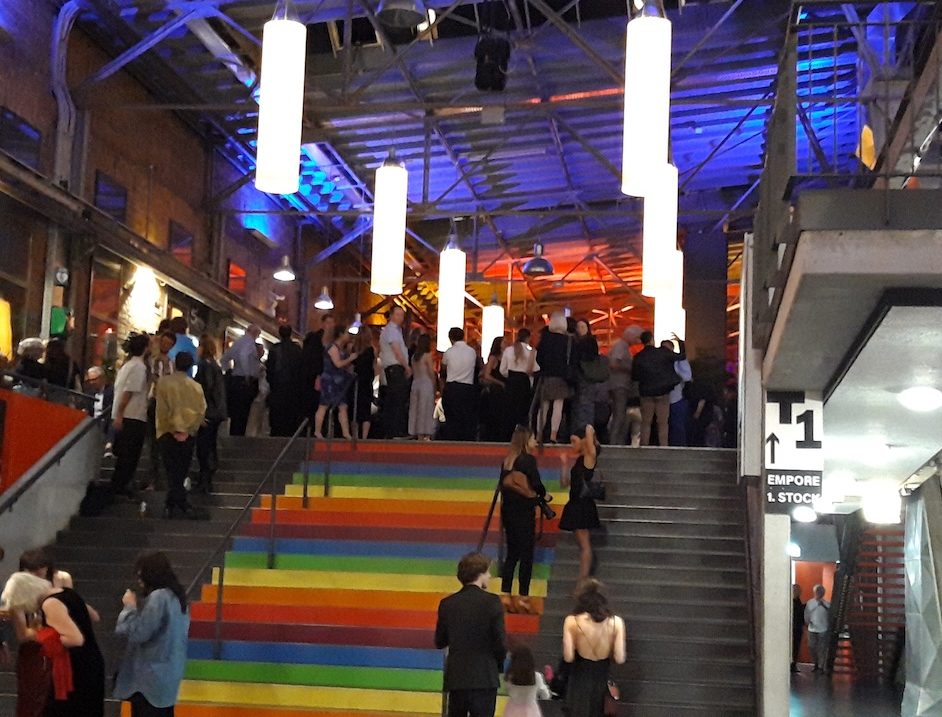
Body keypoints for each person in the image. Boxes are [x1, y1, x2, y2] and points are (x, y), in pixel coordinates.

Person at [2, 571, 105, 717]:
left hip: (76, 667)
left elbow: (75, 639)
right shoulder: (67, 593)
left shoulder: (50, 604)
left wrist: (46, 637)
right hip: (90, 661)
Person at [114, 552, 191, 716]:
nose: (139, 580)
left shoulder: (158, 597)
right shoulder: (178, 598)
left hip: (149, 680)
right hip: (169, 676)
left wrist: (129, 608)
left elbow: (139, 633)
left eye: (141, 574)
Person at [435, 552, 507, 717]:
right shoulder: (492, 602)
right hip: (485, 676)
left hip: (457, 678)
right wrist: (497, 666)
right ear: (480, 574)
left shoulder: (447, 604)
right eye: (487, 572)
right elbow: (500, 643)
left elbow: (440, 641)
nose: (489, 576)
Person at [7, 550, 76, 717]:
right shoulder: (18, 590)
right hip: (35, 652)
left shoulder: (60, 581)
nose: (35, 576)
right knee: (33, 702)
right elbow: (23, 635)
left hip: (60, 651)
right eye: (30, 572)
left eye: (40, 570)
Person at [500, 427, 553, 613]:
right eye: (533, 439)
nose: (535, 442)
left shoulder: (508, 460)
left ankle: (505, 594)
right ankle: (523, 597)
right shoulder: (527, 460)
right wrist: (545, 495)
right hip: (523, 511)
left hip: (508, 511)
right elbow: (536, 484)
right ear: (525, 440)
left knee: (512, 554)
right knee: (526, 555)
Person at [561, 579, 626, 717]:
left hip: (579, 677)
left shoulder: (572, 621)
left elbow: (568, 657)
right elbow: (620, 658)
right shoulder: (617, 622)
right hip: (602, 676)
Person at [155, 352, 207, 519]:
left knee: (171, 471)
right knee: (181, 469)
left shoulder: (164, 383)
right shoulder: (196, 387)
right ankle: (179, 503)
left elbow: (162, 409)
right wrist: (189, 429)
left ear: (175, 363)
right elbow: (201, 411)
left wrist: (171, 428)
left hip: (166, 432)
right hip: (188, 434)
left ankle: (173, 504)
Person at [559, 425, 600, 582]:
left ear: (583, 441)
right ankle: (582, 580)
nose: (572, 445)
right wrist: (564, 465)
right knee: (583, 545)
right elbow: (565, 484)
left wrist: (588, 428)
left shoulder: (589, 457)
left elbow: (590, 434)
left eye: (574, 441)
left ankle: (582, 581)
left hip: (583, 504)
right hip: (575, 502)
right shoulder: (579, 461)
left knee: (585, 545)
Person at [112, 334, 151, 498]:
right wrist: (120, 414)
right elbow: (129, 392)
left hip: (126, 415)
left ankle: (119, 486)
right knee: (130, 455)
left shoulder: (127, 365)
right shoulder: (139, 368)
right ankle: (120, 487)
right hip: (133, 415)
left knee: (125, 455)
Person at [631, 331, 685, 447]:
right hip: (663, 391)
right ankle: (663, 446)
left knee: (646, 422)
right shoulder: (663, 352)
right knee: (663, 422)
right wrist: (680, 343)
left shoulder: (638, 357)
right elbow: (681, 356)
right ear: (652, 339)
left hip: (646, 392)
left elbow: (634, 376)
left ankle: (644, 445)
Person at [194, 336, 227, 493]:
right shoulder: (214, 365)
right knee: (210, 444)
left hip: (208, 411)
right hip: (216, 411)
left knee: (204, 447)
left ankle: (204, 479)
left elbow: (206, 388)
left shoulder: (205, 365)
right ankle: (207, 477)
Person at [144, 331, 176, 491]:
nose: (165, 346)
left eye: (169, 344)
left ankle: (158, 478)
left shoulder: (170, 363)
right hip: (153, 401)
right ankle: (153, 478)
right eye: (164, 342)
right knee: (153, 442)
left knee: (160, 442)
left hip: (163, 404)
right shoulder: (151, 360)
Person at [314, 325, 357, 440]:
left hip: (339, 381)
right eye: (346, 333)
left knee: (343, 406)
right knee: (324, 405)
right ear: (341, 334)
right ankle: (317, 431)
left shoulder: (341, 349)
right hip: (330, 380)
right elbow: (337, 364)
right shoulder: (332, 348)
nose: (348, 335)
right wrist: (350, 358)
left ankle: (346, 432)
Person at [535, 313, 572, 444]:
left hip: (546, 376)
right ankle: (553, 435)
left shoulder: (545, 340)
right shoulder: (567, 341)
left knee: (543, 407)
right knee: (558, 406)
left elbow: (538, 358)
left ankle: (539, 434)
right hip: (561, 377)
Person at [220, 324, 262, 436]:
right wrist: (247, 374)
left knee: (236, 412)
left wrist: (228, 371)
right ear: (254, 333)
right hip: (245, 382)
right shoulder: (249, 343)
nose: (258, 336)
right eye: (258, 334)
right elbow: (244, 355)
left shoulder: (238, 342)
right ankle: (239, 436)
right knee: (243, 412)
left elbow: (224, 358)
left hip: (236, 379)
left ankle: (234, 434)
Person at [442, 327, 479, 441]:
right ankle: (466, 439)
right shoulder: (471, 352)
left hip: (452, 387)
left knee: (452, 417)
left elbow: (443, 370)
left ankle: (452, 439)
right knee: (466, 416)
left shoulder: (448, 352)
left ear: (451, 339)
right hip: (467, 387)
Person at [379, 307, 411, 438]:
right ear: (391, 315)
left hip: (393, 367)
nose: (400, 318)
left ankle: (391, 430)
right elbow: (396, 350)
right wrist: (406, 366)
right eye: (397, 315)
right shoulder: (392, 330)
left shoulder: (395, 330)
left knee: (394, 399)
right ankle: (396, 430)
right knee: (398, 399)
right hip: (395, 367)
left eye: (402, 315)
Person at [266, 324, 303, 437]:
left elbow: (270, 368)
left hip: (278, 384)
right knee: (290, 412)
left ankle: (277, 430)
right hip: (293, 385)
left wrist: (271, 381)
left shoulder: (274, 349)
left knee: (278, 412)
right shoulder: (297, 349)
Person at [500, 329, 539, 433]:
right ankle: (520, 434)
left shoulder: (508, 350)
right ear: (528, 338)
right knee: (522, 409)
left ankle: (507, 433)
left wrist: (509, 375)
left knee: (509, 409)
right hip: (524, 382)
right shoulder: (531, 352)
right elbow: (535, 369)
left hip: (511, 381)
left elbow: (502, 370)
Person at [607, 326, 641, 446]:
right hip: (619, 385)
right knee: (619, 414)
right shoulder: (621, 346)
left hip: (620, 385)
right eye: (637, 338)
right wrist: (630, 369)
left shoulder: (623, 347)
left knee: (620, 414)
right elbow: (613, 363)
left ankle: (617, 441)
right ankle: (614, 442)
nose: (637, 341)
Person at [299, 314, 335, 424]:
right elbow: (311, 359)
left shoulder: (333, 341)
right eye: (328, 323)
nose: (330, 326)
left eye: (332, 323)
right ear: (323, 324)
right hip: (315, 377)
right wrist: (317, 374)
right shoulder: (314, 339)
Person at [502, 645, 551, 717]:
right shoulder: (537, 676)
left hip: (511, 711)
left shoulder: (510, 677)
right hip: (531, 712)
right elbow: (546, 695)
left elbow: (507, 690)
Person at [663, 339, 692, 447]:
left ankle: (679, 446)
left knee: (677, 425)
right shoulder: (660, 361)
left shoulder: (678, 361)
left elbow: (687, 376)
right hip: (663, 399)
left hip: (676, 398)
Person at [408, 333, 437, 440]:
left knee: (415, 409)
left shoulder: (414, 357)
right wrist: (435, 385)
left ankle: (415, 431)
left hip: (416, 383)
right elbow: (431, 372)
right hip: (426, 383)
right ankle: (425, 432)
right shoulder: (427, 356)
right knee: (425, 409)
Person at [350, 327, 377, 439]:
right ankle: (364, 437)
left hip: (356, 381)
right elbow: (374, 366)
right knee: (366, 410)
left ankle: (355, 435)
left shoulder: (354, 350)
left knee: (355, 409)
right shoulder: (371, 350)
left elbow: (351, 366)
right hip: (367, 381)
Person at [480, 336, 508, 442]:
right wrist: (499, 382)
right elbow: (487, 375)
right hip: (496, 389)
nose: (507, 344)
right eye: (504, 342)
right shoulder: (493, 358)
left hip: (502, 389)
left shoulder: (506, 357)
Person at [805, 584, 830, 673]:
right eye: (817, 591)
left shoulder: (827, 603)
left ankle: (820, 666)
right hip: (812, 628)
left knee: (822, 648)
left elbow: (830, 613)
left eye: (821, 592)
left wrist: (823, 605)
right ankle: (815, 663)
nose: (819, 593)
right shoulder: (810, 603)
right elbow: (807, 614)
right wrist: (807, 622)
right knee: (811, 646)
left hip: (823, 628)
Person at [791, 583, 805, 673]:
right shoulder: (791, 602)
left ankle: (794, 664)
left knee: (796, 647)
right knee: (792, 647)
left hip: (798, 628)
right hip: (793, 627)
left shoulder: (798, 602)